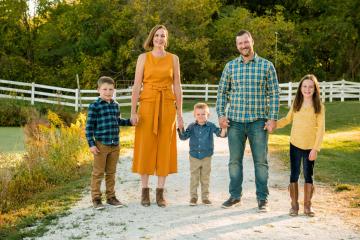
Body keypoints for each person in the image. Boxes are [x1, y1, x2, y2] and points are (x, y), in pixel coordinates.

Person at [216, 29, 279, 212]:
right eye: (240, 43)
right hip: (235, 122)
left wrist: (272, 118)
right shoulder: (230, 67)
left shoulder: (266, 66)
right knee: (234, 161)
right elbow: (222, 93)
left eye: (246, 42)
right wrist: (221, 115)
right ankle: (235, 196)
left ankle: (262, 198)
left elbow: (274, 93)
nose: (243, 46)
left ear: (252, 41)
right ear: (237, 46)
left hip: (258, 122)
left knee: (261, 161)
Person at [130, 24, 183, 208]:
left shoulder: (173, 59)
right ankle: (145, 191)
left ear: (166, 39)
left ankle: (160, 192)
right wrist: (133, 111)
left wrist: (180, 113)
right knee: (146, 145)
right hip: (148, 104)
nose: (160, 39)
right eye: (157, 36)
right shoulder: (143, 58)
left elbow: (177, 86)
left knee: (164, 146)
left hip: (167, 105)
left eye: (163, 36)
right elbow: (137, 85)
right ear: (152, 38)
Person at [275, 74, 325, 217]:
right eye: (304, 86)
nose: (307, 89)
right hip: (295, 144)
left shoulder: (319, 107)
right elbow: (287, 119)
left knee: (308, 175)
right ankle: (294, 205)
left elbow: (321, 129)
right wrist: (274, 124)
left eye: (310, 87)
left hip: (310, 147)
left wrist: (316, 148)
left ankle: (308, 206)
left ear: (315, 89)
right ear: (300, 88)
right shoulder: (296, 103)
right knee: (294, 174)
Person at [85, 76, 133, 210]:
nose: (107, 92)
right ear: (98, 90)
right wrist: (91, 144)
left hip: (114, 145)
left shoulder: (115, 105)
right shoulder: (95, 106)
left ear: (114, 90)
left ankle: (111, 197)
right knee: (98, 172)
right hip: (101, 145)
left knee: (111, 172)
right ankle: (96, 198)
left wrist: (130, 122)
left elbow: (118, 121)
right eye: (104, 89)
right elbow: (89, 127)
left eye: (110, 89)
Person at [178, 103, 227, 206]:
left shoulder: (210, 126)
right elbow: (183, 137)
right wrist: (181, 128)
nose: (201, 116)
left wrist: (224, 128)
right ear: (195, 115)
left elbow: (221, 135)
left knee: (205, 178)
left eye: (203, 114)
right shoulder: (191, 127)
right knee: (194, 177)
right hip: (194, 156)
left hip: (206, 156)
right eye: (198, 114)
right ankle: (193, 197)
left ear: (208, 115)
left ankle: (205, 197)